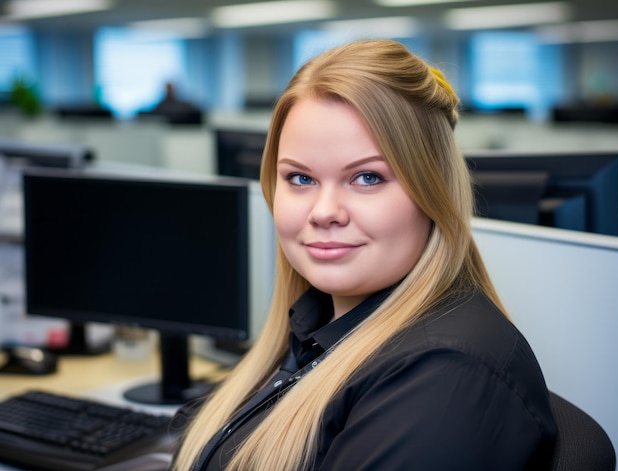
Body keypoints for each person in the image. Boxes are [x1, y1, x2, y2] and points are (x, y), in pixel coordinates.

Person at [170, 39, 556, 471]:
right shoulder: (319, 326)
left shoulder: (444, 377)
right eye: (300, 178)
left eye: (367, 177)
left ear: (434, 191)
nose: (324, 212)